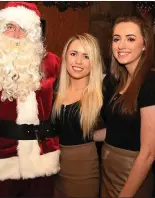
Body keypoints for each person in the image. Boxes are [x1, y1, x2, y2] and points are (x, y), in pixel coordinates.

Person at [0, 2, 61, 197]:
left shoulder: (52, 62)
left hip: (42, 157)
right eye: (10, 27)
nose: (16, 35)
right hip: (1, 156)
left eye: (23, 29)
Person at [95, 14, 155, 198]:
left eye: (130, 39)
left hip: (131, 175)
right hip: (108, 170)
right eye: (117, 39)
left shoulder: (153, 83)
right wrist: (82, 136)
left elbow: (148, 154)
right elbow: (120, 129)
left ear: (144, 44)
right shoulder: (118, 81)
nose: (121, 45)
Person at [52, 33, 104, 197]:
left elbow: (121, 126)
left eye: (86, 56)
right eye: (73, 54)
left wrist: (90, 135)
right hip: (55, 168)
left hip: (83, 170)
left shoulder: (101, 93)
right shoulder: (56, 89)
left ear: (93, 62)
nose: (78, 61)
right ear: (65, 56)